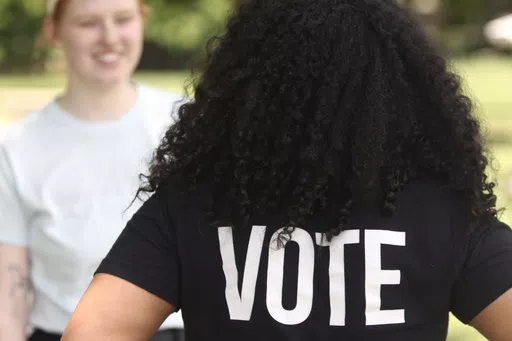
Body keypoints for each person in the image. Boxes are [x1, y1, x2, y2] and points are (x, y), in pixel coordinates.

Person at [61, 0, 512, 340]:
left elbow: (92, 332)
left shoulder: (193, 204)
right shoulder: (442, 213)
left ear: (247, 83)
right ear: (401, 88)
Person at [0, 0, 185, 340]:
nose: (110, 38)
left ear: (142, 21)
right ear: (53, 32)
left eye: (123, 19)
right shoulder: (15, 148)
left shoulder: (187, 124)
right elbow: (7, 298)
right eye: (88, 23)